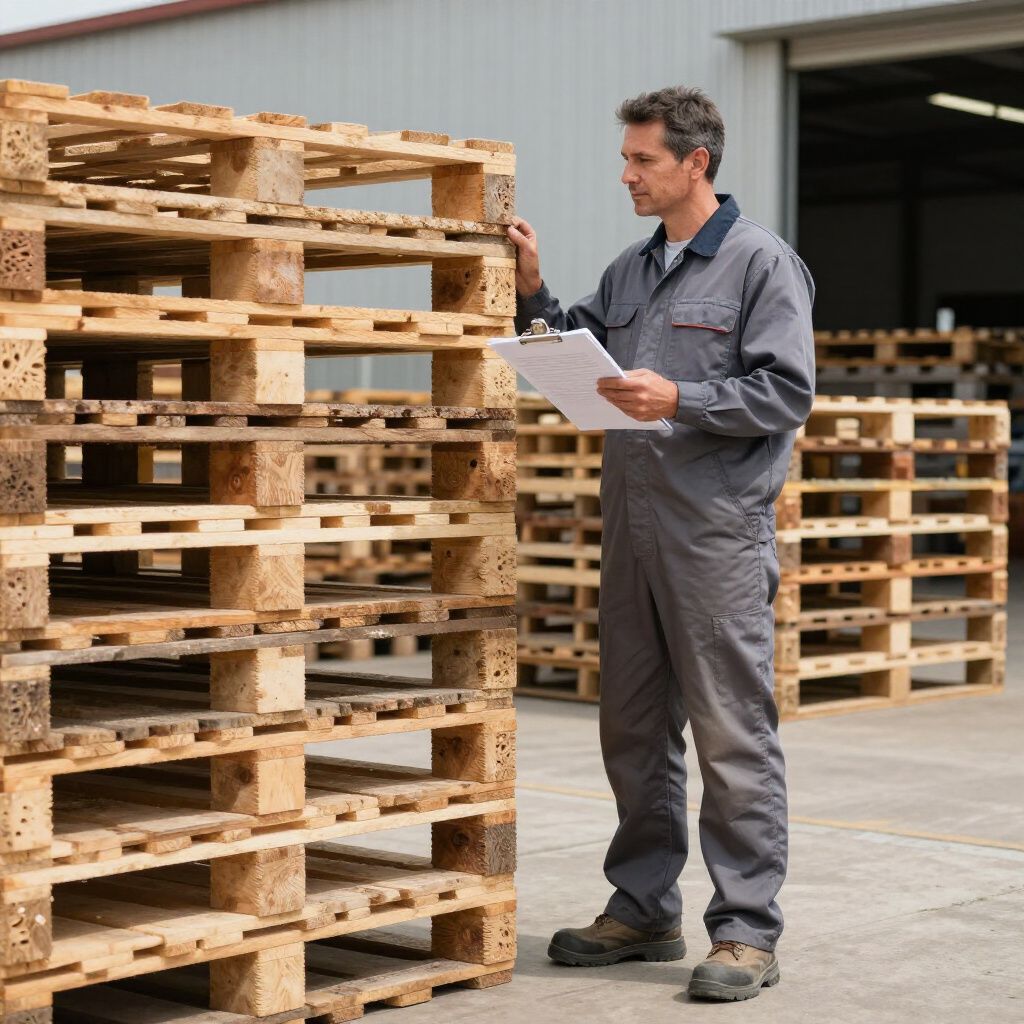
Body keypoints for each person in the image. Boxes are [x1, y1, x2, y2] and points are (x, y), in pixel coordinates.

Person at [506, 86, 815, 1003]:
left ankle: (745, 933)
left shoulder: (763, 265)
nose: (627, 174)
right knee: (634, 729)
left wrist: (680, 398)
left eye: (643, 159)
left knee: (730, 734)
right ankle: (642, 907)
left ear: (696, 163)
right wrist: (532, 291)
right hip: (634, 530)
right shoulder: (634, 270)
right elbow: (583, 350)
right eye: (628, 158)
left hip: (716, 534)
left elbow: (785, 395)